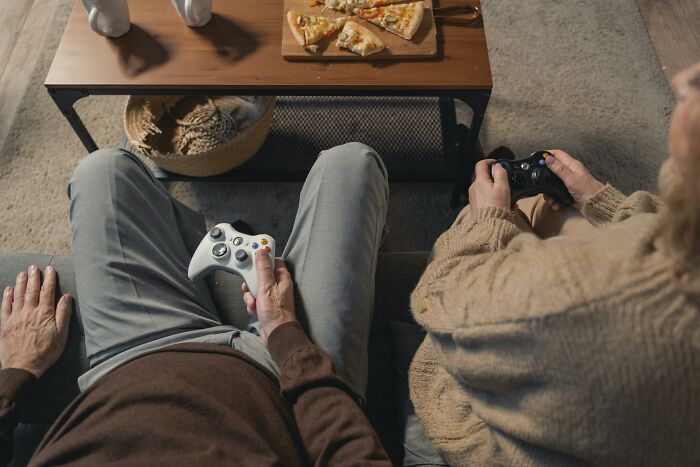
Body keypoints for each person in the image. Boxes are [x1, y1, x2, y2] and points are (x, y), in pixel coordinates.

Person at [0, 143, 393, 465]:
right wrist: (287, 334)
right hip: (284, 390)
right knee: (349, 166)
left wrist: (17, 370)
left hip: (130, 364)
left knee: (102, 171)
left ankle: (193, 249)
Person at [409, 62, 700, 466]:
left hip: (508, 440)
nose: (682, 81)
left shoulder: (591, 296)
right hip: (642, 424)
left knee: (477, 226)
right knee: (540, 206)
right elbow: (668, 226)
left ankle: (472, 208)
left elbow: (440, 307)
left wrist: (484, 221)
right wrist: (600, 198)